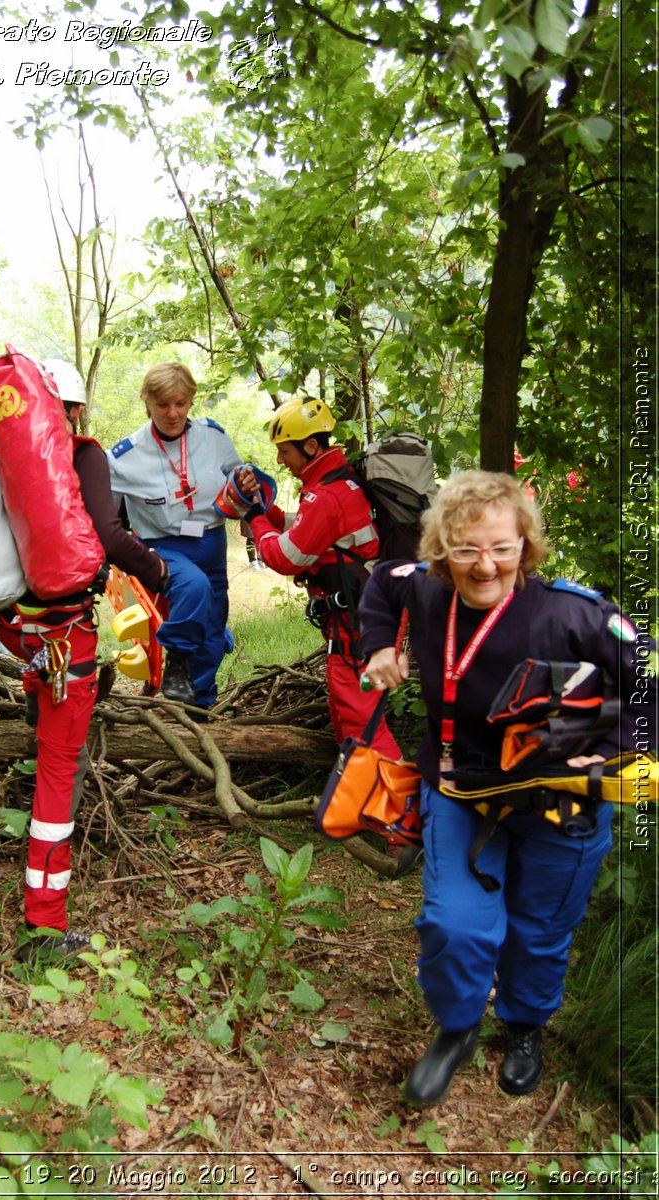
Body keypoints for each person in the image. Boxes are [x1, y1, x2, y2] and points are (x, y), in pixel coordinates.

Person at [359, 469, 655, 1105]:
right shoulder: (428, 589)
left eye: (501, 547)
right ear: (441, 548)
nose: (485, 565)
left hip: (563, 804)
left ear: (526, 543)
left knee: (539, 929)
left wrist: (606, 753)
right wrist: (380, 645)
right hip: (461, 793)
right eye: (466, 548)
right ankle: (459, 1024)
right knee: (454, 922)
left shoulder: (576, 614)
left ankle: (524, 1026)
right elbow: (382, 584)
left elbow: (647, 690)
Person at [0, 360, 169, 961]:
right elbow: (110, 536)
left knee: (48, 755)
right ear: (72, 409)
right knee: (56, 779)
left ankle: (42, 910)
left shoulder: (6, 458)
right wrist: (159, 572)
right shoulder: (82, 455)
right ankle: (44, 926)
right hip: (69, 644)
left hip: (19, 634)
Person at [241, 395, 401, 759]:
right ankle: (357, 795)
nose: (281, 460)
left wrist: (256, 519)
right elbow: (305, 527)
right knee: (346, 712)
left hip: (356, 622)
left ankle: (398, 806)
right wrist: (268, 510)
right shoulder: (335, 483)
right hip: (356, 617)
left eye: (285, 451)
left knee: (361, 718)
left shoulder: (327, 496)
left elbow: (286, 557)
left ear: (310, 446)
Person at [107, 363, 242, 713]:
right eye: (163, 405)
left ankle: (199, 707)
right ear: (148, 403)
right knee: (192, 587)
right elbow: (98, 508)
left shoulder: (213, 438)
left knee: (212, 625)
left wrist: (246, 486)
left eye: (180, 404)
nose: (173, 413)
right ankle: (177, 659)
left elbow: (237, 479)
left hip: (212, 541)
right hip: (163, 544)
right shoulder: (126, 456)